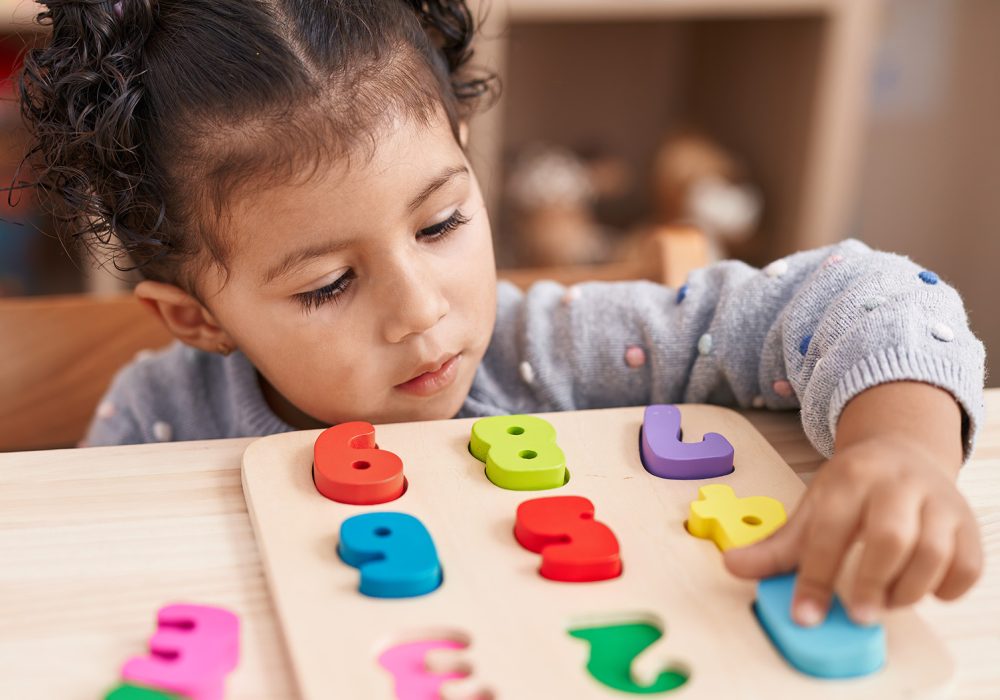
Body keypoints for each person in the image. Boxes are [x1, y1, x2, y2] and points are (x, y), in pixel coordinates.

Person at [18, 0, 985, 632]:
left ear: (468, 153)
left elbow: (863, 297)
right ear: (195, 319)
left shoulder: (552, 355)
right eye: (327, 286)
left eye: (441, 222)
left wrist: (895, 451)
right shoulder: (156, 421)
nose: (422, 311)